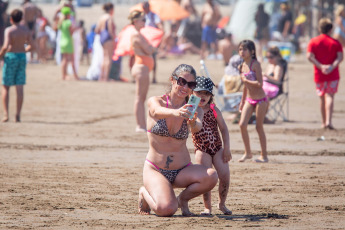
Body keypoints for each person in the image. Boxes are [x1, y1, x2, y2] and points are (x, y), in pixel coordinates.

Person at [138, 64, 218, 217]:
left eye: (191, 84)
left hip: (182, 170)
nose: (185, 87)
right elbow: (155, 111)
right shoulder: (157, 101)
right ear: (172, 80)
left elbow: (197, 128)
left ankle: (182, 200)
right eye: (181, 81)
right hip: (156, 169)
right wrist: (176, 112)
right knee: (166, 209)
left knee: (211, 176)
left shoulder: (195, 109)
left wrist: (193, 121)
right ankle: (144, 192)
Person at [191, 76, 232, 215]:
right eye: (199, 92)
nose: (203, 96)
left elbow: (224, 129)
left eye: (206, 93)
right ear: (192, 93)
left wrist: (227, 149)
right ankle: (207, 207)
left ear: (211, 96)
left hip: (217, 148)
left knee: (225, 176)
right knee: (207, 178)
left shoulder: (214, 109)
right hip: (201, 149)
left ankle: (222, 203)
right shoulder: (191, 110)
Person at [307, 18, 343, 130]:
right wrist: (331, 66)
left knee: (322, 97)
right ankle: (329, 121)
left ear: (319, 28)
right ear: (330, 29)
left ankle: (323, 122)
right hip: (333, 74)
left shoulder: (313, 41)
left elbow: (309, 56)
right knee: (330, 96)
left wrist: (320, 66)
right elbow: (340, 57)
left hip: (319, 73)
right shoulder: (336, 43)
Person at [0, 9, 34, 122]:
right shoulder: (25, 30)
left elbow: (6, 46)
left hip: (11, 57)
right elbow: (29, 45)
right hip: (22, 57)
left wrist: (1, 55)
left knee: (6, 86)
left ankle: (6, 114)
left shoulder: (9, 30)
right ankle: (18, 114)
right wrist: (23, 48)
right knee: (19, 86)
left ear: (11, 19)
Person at [237, 40, 268, 163]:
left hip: (261, 100)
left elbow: (260, 84)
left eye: (244, 49)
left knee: (258, 127)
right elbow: (245, 87)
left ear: (252, 51)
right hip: (249, 99)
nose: (242, 52)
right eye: (240, 49)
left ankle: (264, 155)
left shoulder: (256, 65)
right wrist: (242, 101)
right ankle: (248, 152)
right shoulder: (241, 66)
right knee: (242, 124)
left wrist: (246, 80)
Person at [129, 11, 156, 132]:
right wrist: (152, 47)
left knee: (142, 98)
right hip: (141, 67)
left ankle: (142, 125)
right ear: (135, 21)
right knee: (140, 98)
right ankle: (140, 125)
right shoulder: (136, 35)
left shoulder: (139, 34)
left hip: (144, 67)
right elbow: (148, 50)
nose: (145, 22)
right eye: (143, 20)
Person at [142, 1, 163, 84]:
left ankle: (154, 77)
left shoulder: (154, 16)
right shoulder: (142, 16)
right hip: (144, 39)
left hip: (152, 41)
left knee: (153, 58)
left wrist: (160, 35)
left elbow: (159, 25)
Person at [95, 3, 116, 81]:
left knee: (104, 58)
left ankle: (101, 76)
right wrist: (114, 39)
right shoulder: (109, 17)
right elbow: (110, 30)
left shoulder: (101, 18)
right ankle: (106, 77)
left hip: (102, 38)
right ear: (111, 9)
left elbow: (97, 30)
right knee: (108, 58)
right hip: (108, 38)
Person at [58, 6, 79, 80]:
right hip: (68, 42)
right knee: (72, 60)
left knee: (64, 60)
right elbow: (71, 33)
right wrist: (76, 28)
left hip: (62, 42)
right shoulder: (68, 22)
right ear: (67, 15)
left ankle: (63, 75)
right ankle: (75, 76)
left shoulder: (61, 22)